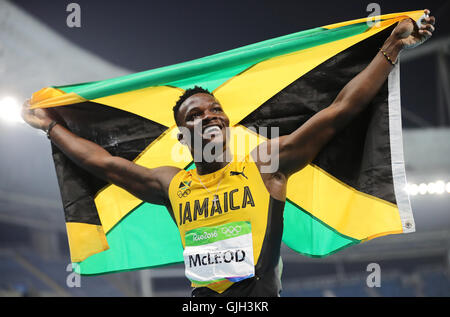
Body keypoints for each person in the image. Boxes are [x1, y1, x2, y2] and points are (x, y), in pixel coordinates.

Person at [22, 11, 435, 297]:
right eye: (197, 116)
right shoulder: (172, 183)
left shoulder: (265, 164)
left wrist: (391, 49)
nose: (211, 116)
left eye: (216, 109)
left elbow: (338, 112)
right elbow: (102, 163)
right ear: (184, 136)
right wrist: (52, 126)